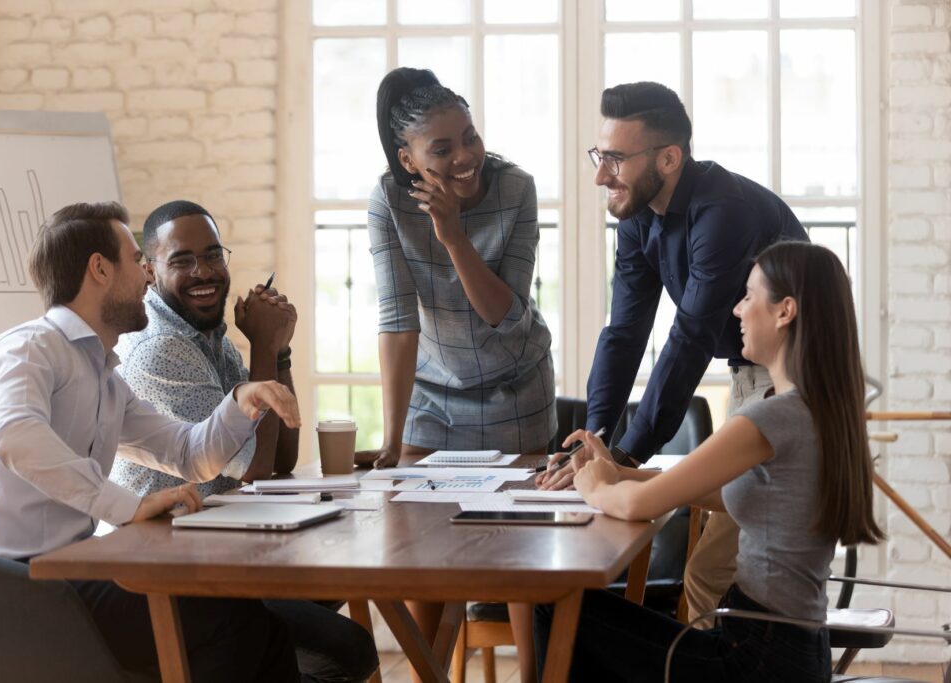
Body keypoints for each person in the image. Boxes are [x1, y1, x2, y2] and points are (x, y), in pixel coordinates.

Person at [0, 201, 303, 682]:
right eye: (134, 260)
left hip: (70, 572)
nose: (147, 276)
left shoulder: (102, 374)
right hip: (20, 591)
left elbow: (190, 454)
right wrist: (124, 505)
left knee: (259, 626)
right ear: (99, 268)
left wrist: (241, 399)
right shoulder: (25, 350)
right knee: (235, 622)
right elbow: (14, 435)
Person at [535, 240, 884, 682]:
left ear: (785, 311)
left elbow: (636, 507)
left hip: (752, 661)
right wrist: (622, 472)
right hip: (788, 652)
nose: (737, 310)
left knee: (555, 603)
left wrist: (593, 482)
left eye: (749, 296)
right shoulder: (819, 408)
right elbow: (724, 490)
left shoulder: (769, 416)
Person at [537, 81, 809, 625]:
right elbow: (625, 333)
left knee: (711, 571)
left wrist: (626, 458)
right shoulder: (637, 215)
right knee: (713, 570)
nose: (599, 176)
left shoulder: (720, 210)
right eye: (599, 155)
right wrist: (596, 439)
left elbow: (688, 337)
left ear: (668, 157)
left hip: (793, 376)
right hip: (753, 371)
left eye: (615, 159)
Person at [111, 199, 379, 683]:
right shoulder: (159, 348)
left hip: (230, 552)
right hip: (179, 574)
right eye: (183, 260)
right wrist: (264, 345)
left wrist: (279, 352)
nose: (203, 271)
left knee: (332, 587)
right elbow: (251, 464)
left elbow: (282, 456)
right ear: (149, 270)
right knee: (349, 649)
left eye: (213, 255)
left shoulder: (204, 332)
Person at [365, 67, 557, 683]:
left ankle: (532, 676)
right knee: (425, 558)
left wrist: (452, 236)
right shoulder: (389, 200)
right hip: (435, 393)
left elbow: (505, 312)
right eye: (442, 149)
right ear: (408, 158)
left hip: (516, 383)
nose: (465, 156)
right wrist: (393, 439)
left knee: (520, 557)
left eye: (469, 137)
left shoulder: (515, 188)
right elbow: (397, 322)